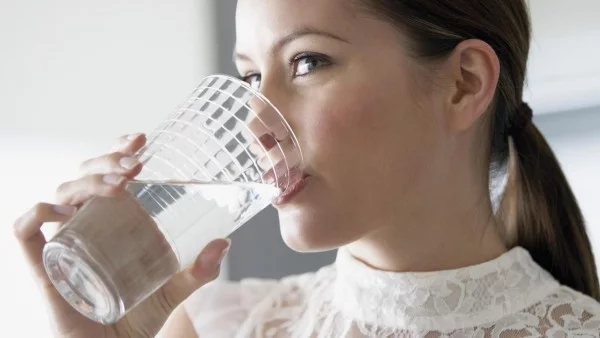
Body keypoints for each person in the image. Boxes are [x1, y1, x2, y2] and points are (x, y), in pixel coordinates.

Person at [13, 0, 600, 337]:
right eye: (249, 78)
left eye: (307, 62)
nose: (253, 126)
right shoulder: (220, 328)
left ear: (463, 83)